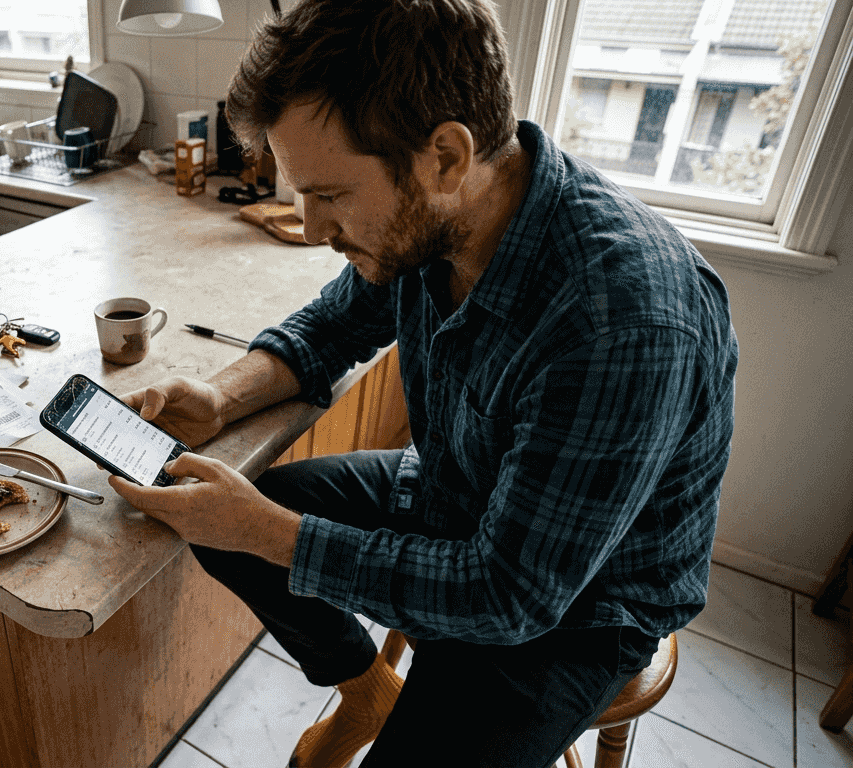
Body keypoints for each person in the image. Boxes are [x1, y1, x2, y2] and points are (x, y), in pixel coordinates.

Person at [106, 0, 739, 766]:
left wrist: (264, 530)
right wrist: (222, 396)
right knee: (223, 518)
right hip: (456, 492)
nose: (309, 228)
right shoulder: (439, 219)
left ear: (444, 155)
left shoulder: (623, 322)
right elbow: (328, 329)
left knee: (253, 525)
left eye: (329, 195)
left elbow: (507, 596)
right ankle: (368, 689)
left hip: (578, 606)